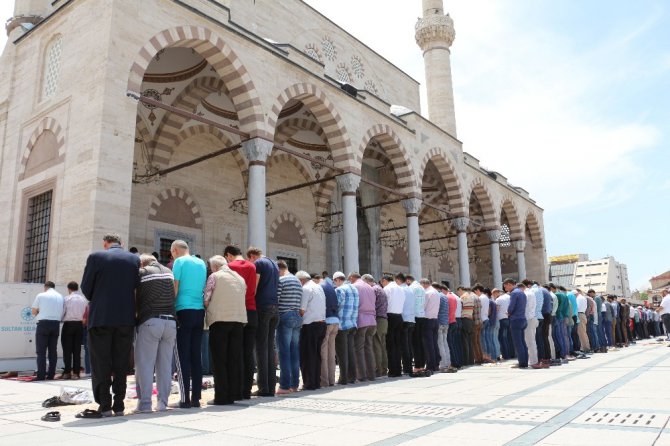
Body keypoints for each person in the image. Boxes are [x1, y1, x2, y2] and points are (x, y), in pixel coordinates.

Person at [81, 233, 140, 416]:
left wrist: (98, 297)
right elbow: (135, 285)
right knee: (122, 361)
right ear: (121, 244)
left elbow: (86, 288)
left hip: (101, 317)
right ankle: (120, 404)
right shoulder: (134, 259)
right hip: (125, 318)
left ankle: (105, 404)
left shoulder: (96, 257)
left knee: (101, 362)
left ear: (105, 243)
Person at [134, 254, 177, 413]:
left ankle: (145, 404)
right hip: (171, 322)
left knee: (145, 364)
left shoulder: (143, 273)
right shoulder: (168, 271)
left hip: (150, 321)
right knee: (165, 366)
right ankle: (162, 404)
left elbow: (134, 295)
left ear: (142, 263)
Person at [204, 255, 246, 405]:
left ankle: (222, 396)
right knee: (234, 359)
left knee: (219, 359)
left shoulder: (215, 276)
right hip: (238, 321)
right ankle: (234, 394)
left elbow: (207, 298)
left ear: (214, 266)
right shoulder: (240, 278)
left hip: (220, 320)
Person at [171, 240, 207, 408]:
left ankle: (185, 399)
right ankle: (196, 398)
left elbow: (175, 287)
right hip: (199, 311)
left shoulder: (179, 262)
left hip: (183, 309)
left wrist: (170, 306)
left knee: (183, 355)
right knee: (195, 355)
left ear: (175, 250)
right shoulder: (200, 262)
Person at [223, 245, 257, 399]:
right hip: (252, 310)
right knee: (248, 352)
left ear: (228, 255)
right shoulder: (252, 266)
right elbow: (253, 290)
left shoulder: (229, 267)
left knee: (235, 353)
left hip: (236, 311)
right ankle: (247, 391)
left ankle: (236, 389)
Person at [247, 247, 279, 397]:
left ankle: (263, 387)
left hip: (263, 307)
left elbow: (255, 284)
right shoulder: (274, 264)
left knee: (261, 347)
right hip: (274, 307)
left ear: (252, 256)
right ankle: (271, 387)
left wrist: (249, 296)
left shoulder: (258, 263)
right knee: (269, 348)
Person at [275, 261, 303, 395]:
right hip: (297, 316)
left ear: (279, 269)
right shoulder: (297, 281)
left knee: (284, 352)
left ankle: (284, 385)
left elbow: (277, 299)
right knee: (294, 352)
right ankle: (294, 384)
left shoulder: (282, 280)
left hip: (285, 316)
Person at [297, 271, 327, 390]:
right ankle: (316, 382)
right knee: (316, 355)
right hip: (321, 324)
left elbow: (302, 310)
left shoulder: (306, 289)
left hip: (310, 325)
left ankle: (309, 383)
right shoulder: (318, 287)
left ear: (301, 280)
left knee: (307, 355)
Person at [31, 281, 64, 381]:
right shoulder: (60, 297)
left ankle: (41, 375)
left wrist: (40, 312)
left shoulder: (41, 295)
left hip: (44, 324)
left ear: (45, 287)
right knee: (52, 351)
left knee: (41, 352)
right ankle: (51, 375)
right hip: (56, 324)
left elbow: (33, 311)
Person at [334, 271, 359, 384]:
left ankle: (343, 378)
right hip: (352, 323)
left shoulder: (340, 290)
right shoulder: (354, 289)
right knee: (351, 351)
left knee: (342, 353)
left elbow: (337, 305)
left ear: (337, 280)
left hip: (342, 324)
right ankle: (352, 376)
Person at [351, 272, 377, 382]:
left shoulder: (354, 287)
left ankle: (361, 375)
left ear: (351, 278)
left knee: (359, 349)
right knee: (369, 348)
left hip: (361, 319)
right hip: (372, 320)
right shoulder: (371, 287)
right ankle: (371, 374)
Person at [59, 281, 88, 380]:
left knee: (67, 350)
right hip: (79, 325)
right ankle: (76, 373)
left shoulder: (66, 299)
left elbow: (62, 312)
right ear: (77, 288)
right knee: (77, 350)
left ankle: (67, 372)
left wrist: (60, 320)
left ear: (69, 289)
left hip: (68, 324)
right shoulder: (83, 299)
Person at [363, 274, 388, 378]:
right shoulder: (380, 289)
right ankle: (383, 369)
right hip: (384, 319)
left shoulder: (373, 290)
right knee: (382, 345)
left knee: (376, 345)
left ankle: (378, 369)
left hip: (377, 319)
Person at [382, 274, 404, 378]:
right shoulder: (400, 289)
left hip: (390, 316)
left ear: (385, 280)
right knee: (398, 344)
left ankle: (392, 370)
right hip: (399, 317)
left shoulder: (387, 288)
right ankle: (398, 370)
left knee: (390, 345)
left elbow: (384, 303)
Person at [320, 272, 340, 387]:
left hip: (327, 321)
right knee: (332, 353)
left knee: (324, 352)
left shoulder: (320, 287)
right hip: (336, 321)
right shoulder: (332, 288)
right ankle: (332, 380)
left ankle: (324, 381)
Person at [506, 280, 528, 369]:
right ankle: (525, 361)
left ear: (509, 284)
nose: (505, 288)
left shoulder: (514, 293)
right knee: (522, 342)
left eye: (506, 286)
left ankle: (522, 363)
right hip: (522, 318)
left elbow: (511, 307)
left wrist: (508, 312)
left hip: (516, 319)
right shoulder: (522, 293)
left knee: (518, 342)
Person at [407, 275, 426, 372]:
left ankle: (417, 366)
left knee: (415, 342)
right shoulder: (421, 288)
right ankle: (422, 364)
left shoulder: (412, 288)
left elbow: (410, 303)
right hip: (422, 316)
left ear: (408, 280)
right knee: (421, 342)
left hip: (415, 316)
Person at [522, 279, 543, 368]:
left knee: (530, 342)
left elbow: (524, 307)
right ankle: (533, 360)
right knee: (532, 341)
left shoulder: (527, 294)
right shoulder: (533, 293)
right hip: (534, 317)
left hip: (529, 318)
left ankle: (533, 361)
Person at [421, 279, 440, 372]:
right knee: (434, 343)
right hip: (435, 319)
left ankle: (431, 365)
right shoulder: (436, 292)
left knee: (429, 344)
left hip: (427, 320)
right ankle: (436, 363)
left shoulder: (427, 293)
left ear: (424, 284)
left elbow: (423, 306)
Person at [399, 273, 416, 376]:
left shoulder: (401, 289)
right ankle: (409, 367)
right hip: (411, 319)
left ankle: (406, 368)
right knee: (409, 344)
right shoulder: (410, 289)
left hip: (404, 319)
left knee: (404, 345)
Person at [458, 286, 474, 366]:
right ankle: (471, 360)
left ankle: (466, 361)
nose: (458, 293)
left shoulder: (463, 297)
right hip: (470, 319)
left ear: (461, 290)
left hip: (464, 319)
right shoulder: (471, 297)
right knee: (469, 341)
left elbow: (460, 309)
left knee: (464, 342)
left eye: (458, 291)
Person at [496, 287, 512, 360]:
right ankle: (510, 353)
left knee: (502, 338)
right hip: (508, 318)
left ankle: (505, 355)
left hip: (501, 319)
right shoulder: (509, 297)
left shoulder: (499, 299)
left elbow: (497, 310)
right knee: (508, 337)